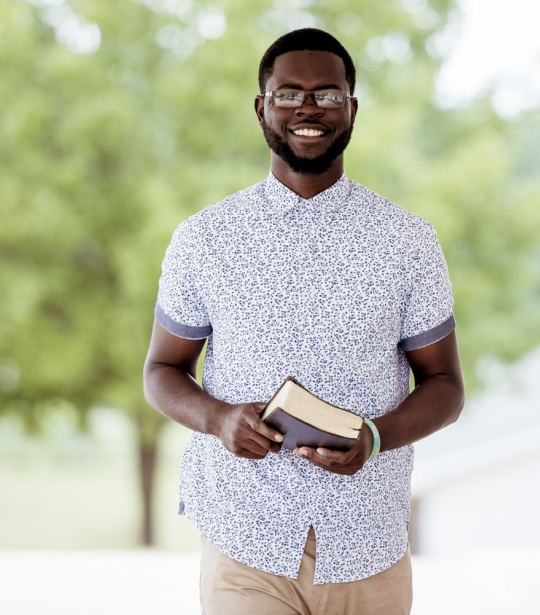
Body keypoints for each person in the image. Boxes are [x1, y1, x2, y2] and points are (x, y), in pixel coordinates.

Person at [143, 27, 465, 615]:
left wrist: (374, 437)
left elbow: (445, 387)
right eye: (289, 94)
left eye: (328, 94)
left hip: (368, 544)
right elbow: (162, 370)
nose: (309, 108)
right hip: (245, 542)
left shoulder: (408, 241)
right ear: (262, 108)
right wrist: (217, 418)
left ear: (352, 108)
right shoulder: (203, 240)